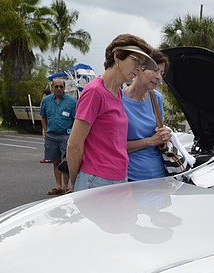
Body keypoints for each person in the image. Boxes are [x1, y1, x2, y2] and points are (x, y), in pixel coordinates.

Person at [66, 34, 157, 192]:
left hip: (120, 177)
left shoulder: (118, 92)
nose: (139, 68)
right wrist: (75, 181)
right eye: (136, 60)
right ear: (117, 56)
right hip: (96, 179)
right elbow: (74, 145)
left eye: (142, 65)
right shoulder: (95, 92)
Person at [123, 50, 173, 181]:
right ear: (139, 69)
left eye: (162, 73)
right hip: (130, 179)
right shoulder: (118, 100)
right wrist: (149, 141)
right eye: (155, 70)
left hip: (160, 177)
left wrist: (165, 134)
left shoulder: (157, 98)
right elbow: (113, 147)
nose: (159, 77)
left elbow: (159, 134)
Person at [39, 77, 76, 195]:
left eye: (61, 86)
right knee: (55, 161)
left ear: (64, 88)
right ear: (52, 87)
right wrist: (45, 130)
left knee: (66, 161)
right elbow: (43, 116)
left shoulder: (72, 101)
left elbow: (76, 119)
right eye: (56, 86)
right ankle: (58, 186)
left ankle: (66, 186)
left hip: (66, 135)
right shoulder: (47, 101)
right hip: (51, 136)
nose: (59, 89)